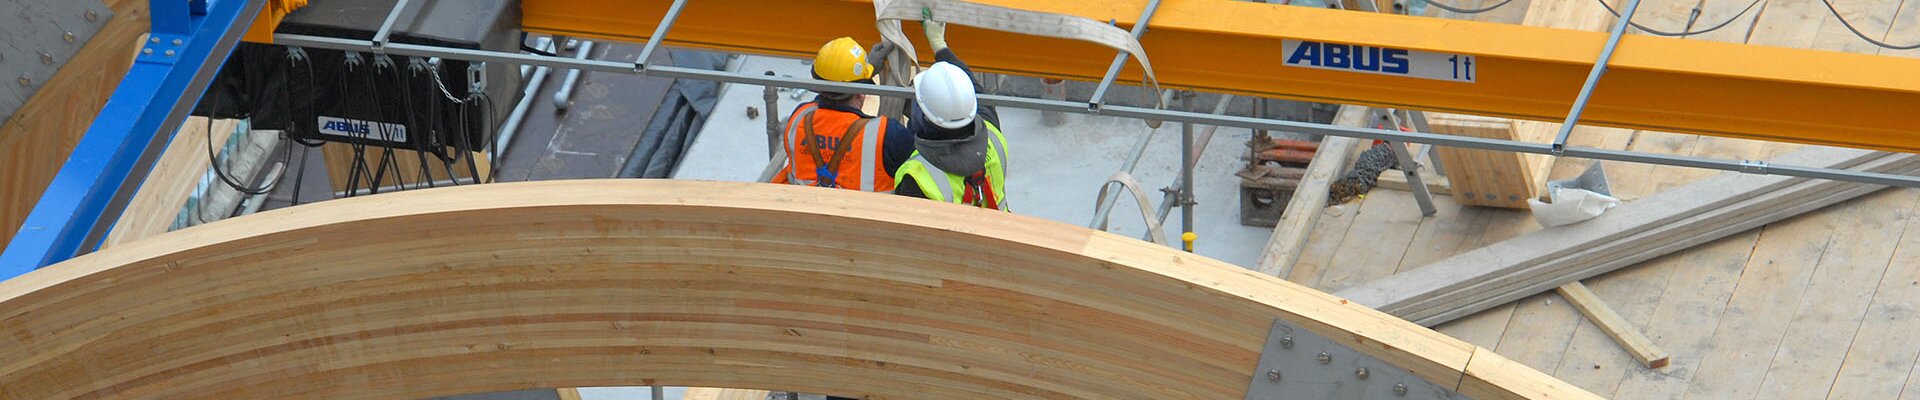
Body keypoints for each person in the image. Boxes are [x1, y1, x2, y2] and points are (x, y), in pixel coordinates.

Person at [893, 10, 1010, 210]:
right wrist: (940, 45)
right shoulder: (993, 137)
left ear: (925, 119)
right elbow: (974, 90)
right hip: (1002, 236)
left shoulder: (917, 176)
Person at [772, 37, 916, 192]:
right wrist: (914, 113)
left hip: (802, 211)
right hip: (863, 214)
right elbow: (924, 156)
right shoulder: (888, 135)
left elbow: (828, 96)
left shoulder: (799, 117)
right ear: (861, 92)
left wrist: (864, 74)